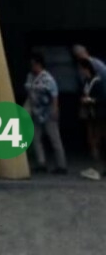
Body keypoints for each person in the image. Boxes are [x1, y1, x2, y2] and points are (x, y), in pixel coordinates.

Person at [25, 52, 68, 174]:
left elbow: (54, 95)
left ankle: (61, 165)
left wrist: (55, 109)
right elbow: (29, 92)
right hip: (35, 110)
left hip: (47, 111)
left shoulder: (47, 79)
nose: (32, 67)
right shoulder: (30, 77)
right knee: (36, 138)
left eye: (33, 65)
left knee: (54, 138)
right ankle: (41, 162)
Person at [72, 43, 106, 177]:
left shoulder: (98, 78)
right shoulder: (87, 81)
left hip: (100, 113)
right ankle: (97, 166)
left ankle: (98, 167)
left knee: (99, 139)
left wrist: (90, 100)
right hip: (91, 114)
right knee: (93, 140)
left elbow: (102, 97)